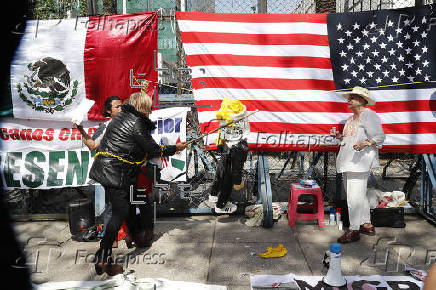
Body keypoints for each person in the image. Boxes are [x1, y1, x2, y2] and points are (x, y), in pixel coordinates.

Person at [89, 92, 186, 276]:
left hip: (112, 171)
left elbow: (138, 148)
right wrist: (175, 148)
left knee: (136, 199)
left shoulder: (122, 118)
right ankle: (103, 256)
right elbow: (153, 149)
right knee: (120, 212)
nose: (151, 111)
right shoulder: (137, 122)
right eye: (149, 107)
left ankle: (137, 236)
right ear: (143, 107)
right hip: (115, 173)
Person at [330, 86, 385, 244]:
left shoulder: (369, 115)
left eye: (352, 97)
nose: (348, 100)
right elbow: (350, 139)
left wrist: (366, 143)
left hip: (360, 162)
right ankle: (366, 224)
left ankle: (354, 229)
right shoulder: (351, 119)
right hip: (349, 161)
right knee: (358, 195)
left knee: (354, 197)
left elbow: (380, 136)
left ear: (361, 100)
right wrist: (340, 136)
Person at [73, 96, 124, 248]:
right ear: (109, 111)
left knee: (131, 203)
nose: (121, 109)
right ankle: (111, 239)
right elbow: (93, 145)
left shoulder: (131, 123)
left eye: (122, 106)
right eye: (117, 107)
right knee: (110, 205)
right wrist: (80, 129)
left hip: (129, 170)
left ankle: (131, 234)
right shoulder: (105, 127)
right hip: (111, 171)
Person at [208, 98, 249, 214]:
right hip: (236, 147)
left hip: (227, 146)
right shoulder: (241, 142)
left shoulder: (224, 116)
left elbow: (222, 132)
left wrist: (220, 143)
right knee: (229, 178)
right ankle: (221, 205)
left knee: (222, 172)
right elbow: (237, 170)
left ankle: (214, 195)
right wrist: (238, 181)